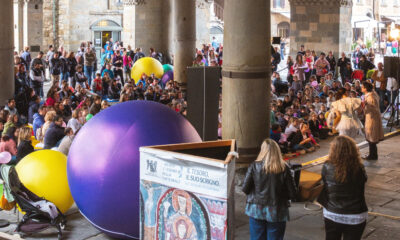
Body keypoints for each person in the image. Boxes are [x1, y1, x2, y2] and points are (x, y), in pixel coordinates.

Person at [242, 139, 297, 240]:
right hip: (277, 210)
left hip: (256, 209)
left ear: (262, 150)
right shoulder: (284, 167)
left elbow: (245, 189)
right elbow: (293, 193)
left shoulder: (254, 166)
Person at [318, 136, 368, 240]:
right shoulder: (359, 168)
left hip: (332, 212)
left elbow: (325, 183)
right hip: (355, 214)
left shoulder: (327, 166)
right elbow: (363, 181)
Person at [361, 81, 384, 160]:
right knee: (371, 137)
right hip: (372, 118)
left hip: (372, 118)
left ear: (366, 88)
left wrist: (364, 106)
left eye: (362, 87)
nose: (361, 88)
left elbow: (373, 108)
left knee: (371, 137)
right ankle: (373, 154)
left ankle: (372, 155)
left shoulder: (370, 97)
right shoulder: (372, 94)